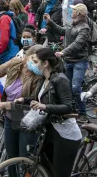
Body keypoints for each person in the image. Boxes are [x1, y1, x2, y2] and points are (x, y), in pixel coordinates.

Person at [17, 48, 81, 177]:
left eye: (35, 61)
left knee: (60, 173)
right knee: (47, 168)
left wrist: (44, 107)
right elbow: (41, 99)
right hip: (50, 130)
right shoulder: (44, 79)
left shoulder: (60, 79)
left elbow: (68, 106)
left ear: (45, 63)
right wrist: (24, 99)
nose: (32, 64)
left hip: (66, 135)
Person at [44, 3, 90, 122]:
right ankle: (69, 109)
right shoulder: (71, 24)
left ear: (78, 13)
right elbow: (62, 31)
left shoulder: (84, 28)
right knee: (67, 87)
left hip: (79, 61)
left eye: (74, 9)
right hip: (68, 61)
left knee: (75, 88)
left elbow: (78, 44)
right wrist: (50, 22)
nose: (71, 11)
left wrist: (63, 52)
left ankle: (82, 112)